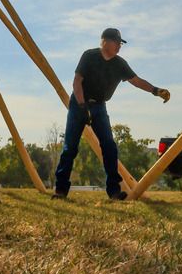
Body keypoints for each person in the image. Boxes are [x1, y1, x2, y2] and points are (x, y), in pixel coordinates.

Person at [53, 28, 170, 201]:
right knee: (70, 147)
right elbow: (77, 81)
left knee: (109, 146)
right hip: (79, 103)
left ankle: (114, 191)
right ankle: (60, 190)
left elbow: (136, 81)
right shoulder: (89, 56)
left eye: (121, 44)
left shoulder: (119, 64)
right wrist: (82, 106)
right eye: (118, 42)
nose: (119, 47)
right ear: (105, 41)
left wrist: (156, 90)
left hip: (99, 107)